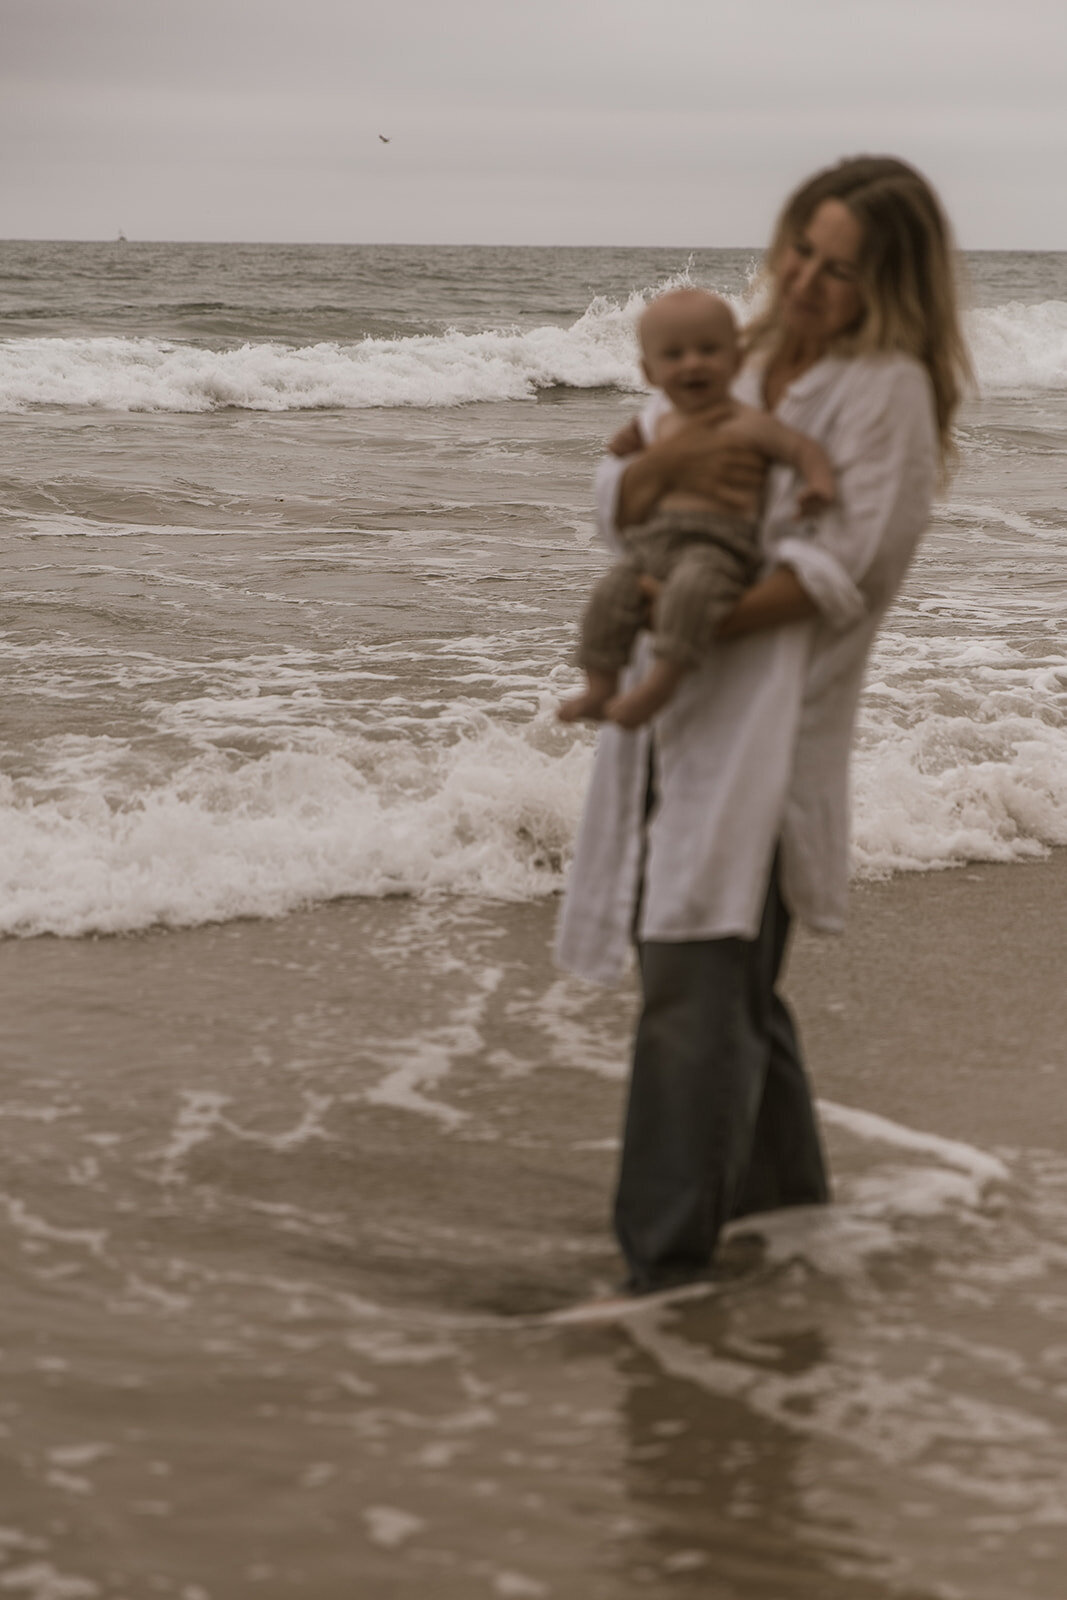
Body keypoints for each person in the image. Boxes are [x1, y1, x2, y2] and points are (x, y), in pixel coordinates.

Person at [555, 156, 972, 1298]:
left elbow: (843, 572)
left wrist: (680, 602)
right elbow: (618, 493)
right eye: (800, 248)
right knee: (724, 985)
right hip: (666, 711)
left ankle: (659, 1272)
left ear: (888, 284)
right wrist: (656, 521)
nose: (805, 281)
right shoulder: (724, 356)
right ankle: (785, 1218)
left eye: (841, 271)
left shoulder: (877, 385)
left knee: (692, 990)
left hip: (763, 733)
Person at [557, 288, 835, 728]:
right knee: (609, 593)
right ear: (649, 372)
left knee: (690, 592)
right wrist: (626, 443)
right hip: (656, 540)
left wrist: (819, 483)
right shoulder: (659, 421)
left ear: (737, 360)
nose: (692, 363)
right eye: (674, 355)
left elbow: (802, 449)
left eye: (708, 350)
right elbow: (625, 460)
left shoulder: (747, 421)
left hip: (719, 543)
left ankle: (659, 686)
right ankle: (600, 685)